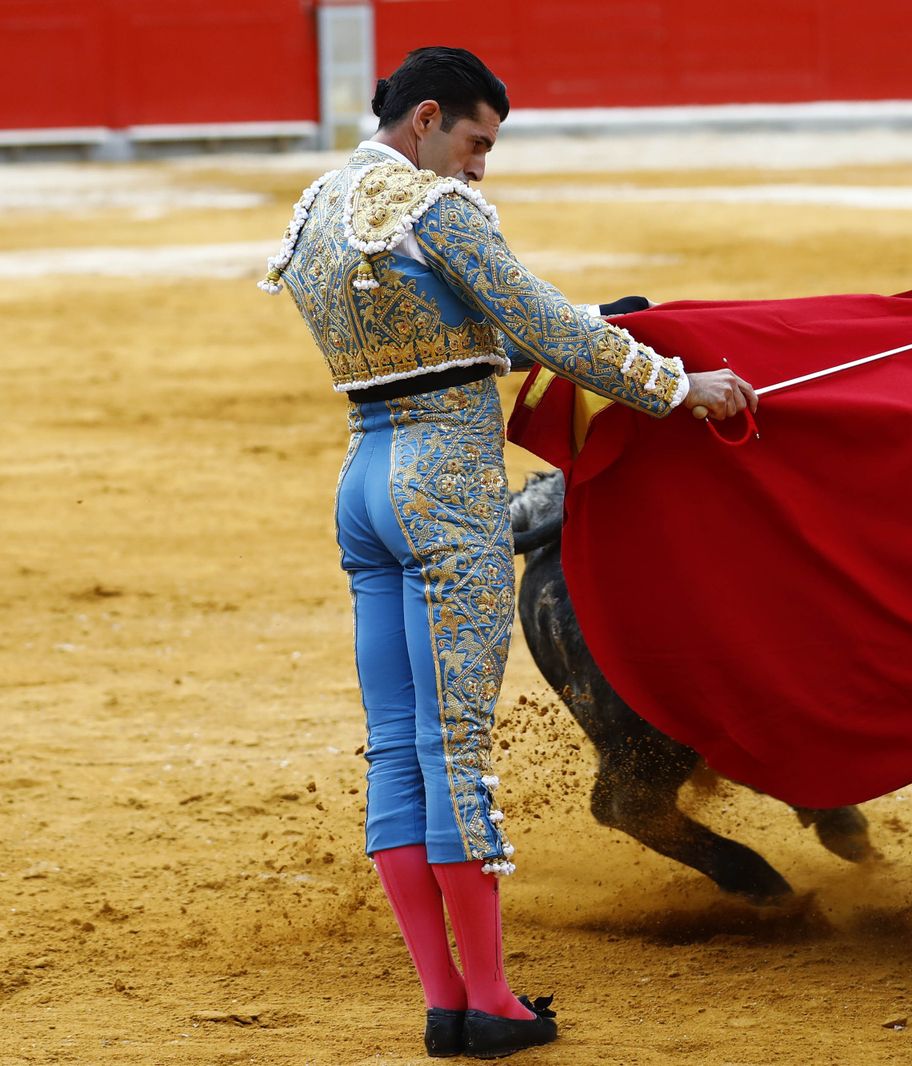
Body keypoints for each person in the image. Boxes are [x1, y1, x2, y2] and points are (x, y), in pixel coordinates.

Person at [260, 45, 755, 1059]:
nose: (480, 164)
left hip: (363, 482)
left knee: (397, 748)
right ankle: (489, 1000)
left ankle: (447, 1000)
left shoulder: (319, 208)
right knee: (453, 749)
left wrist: (594, 329)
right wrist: (675, 385)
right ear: (427, 118)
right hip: (443, 485)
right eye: (476, 141)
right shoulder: (435, 205)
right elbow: (534, 320)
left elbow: (468, 333)